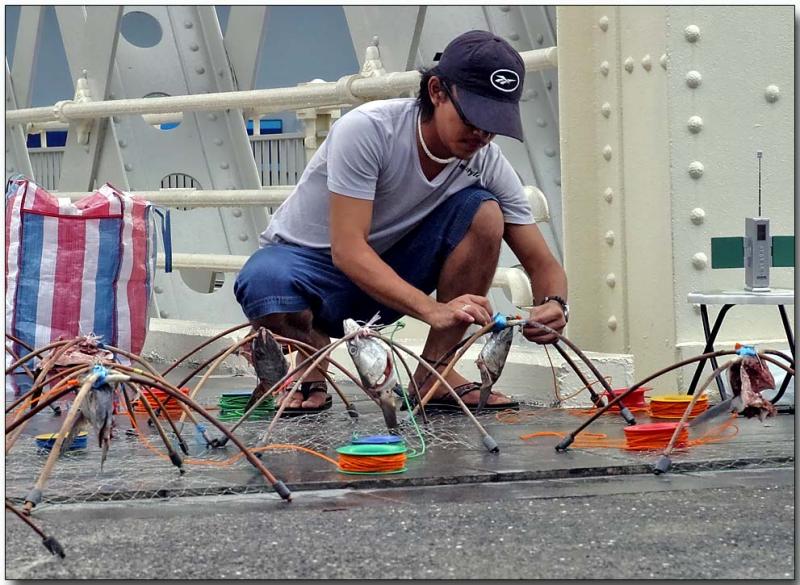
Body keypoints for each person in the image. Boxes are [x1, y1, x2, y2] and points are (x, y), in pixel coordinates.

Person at [234, 30, 568, 413]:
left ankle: (435, 373)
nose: (482, 134)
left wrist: (555, 305)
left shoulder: (486, 161)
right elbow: (348, 250)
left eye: (493, 124)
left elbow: (543, 266)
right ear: (438, 91)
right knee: (263, 280)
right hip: (312, 273)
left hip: (387, 280)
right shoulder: (370, 130)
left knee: (485, 212)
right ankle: (310, 364)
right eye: (473, 117)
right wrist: (431, 310)